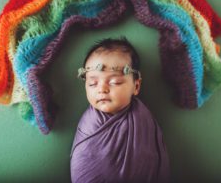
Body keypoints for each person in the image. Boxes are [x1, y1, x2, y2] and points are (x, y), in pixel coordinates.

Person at [70, 37, 170, 183]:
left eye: (115, 82)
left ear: (136, 86)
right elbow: (83, 163)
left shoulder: (143, 119)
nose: (102, 89)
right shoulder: (89, 124)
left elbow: (150, 160)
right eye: (92, 83)